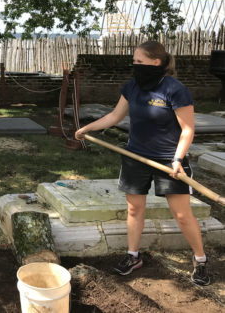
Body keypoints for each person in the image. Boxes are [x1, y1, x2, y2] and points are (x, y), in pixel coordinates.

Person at [75, 41, 210, 286]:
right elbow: (115, 116)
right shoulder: (132, 86)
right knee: (134, 209)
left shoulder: (174, 89)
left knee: (181, 214)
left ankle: (200, 260)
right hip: (135, 157)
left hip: (169, 161)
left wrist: (178, 159)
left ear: (156, 62)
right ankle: (133, 256)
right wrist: (88, 128)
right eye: (134, 62)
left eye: (140, 62)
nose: (135, 66)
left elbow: (188, 129)